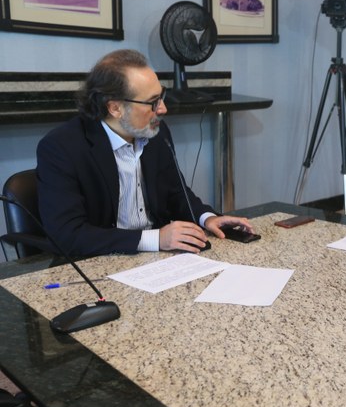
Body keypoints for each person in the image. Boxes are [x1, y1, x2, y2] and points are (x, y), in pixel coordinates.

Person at [36, 49, 254, 257]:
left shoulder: (156, 132)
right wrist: (155, 239)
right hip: (101, 261)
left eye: (162, 96)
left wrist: (206, 218)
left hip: (159, 260)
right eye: (152, 102)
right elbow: (67, 234)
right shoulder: (61, 147)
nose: (163, 109)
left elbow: (176, 192)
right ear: (115, 108)